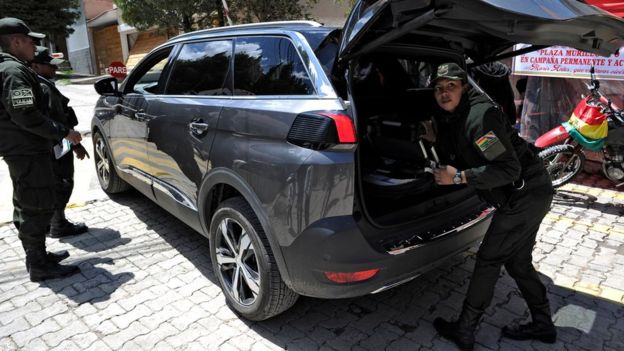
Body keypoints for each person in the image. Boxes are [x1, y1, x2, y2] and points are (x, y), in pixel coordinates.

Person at [430, 63, 555, 350]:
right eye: (438, 88)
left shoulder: (480, 116)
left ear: (464, 86)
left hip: (524, 195)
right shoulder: (459, 114)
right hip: (531, 191)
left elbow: (508, 169)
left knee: (488, 260)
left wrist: (459, 177)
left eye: (451, 86)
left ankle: (465, 329)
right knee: (517, 262)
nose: (444, 93)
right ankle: (543, 324)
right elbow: (467, 145)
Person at [0, 17, 82, 281]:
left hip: (24, 149)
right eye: (30, 42)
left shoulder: (12, 68)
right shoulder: (13, 71)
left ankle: (39, 256)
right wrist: (63, 133)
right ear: (16, 42)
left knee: (28, 202)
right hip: (27, 150)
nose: (35, 48)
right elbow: (26, 115)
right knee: (35, 204)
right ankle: (38, 264)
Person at [29, 46, 89, 238]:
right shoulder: (44, 87)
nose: (54, 70)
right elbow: (58, 121)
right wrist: (75, 145)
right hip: (57, 145)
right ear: (36, 66)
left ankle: (52, 223)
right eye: (50, 66)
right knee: (62, 182)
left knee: (54, 183)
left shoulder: (39, 83)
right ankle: (58, 224)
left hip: (52, 144)